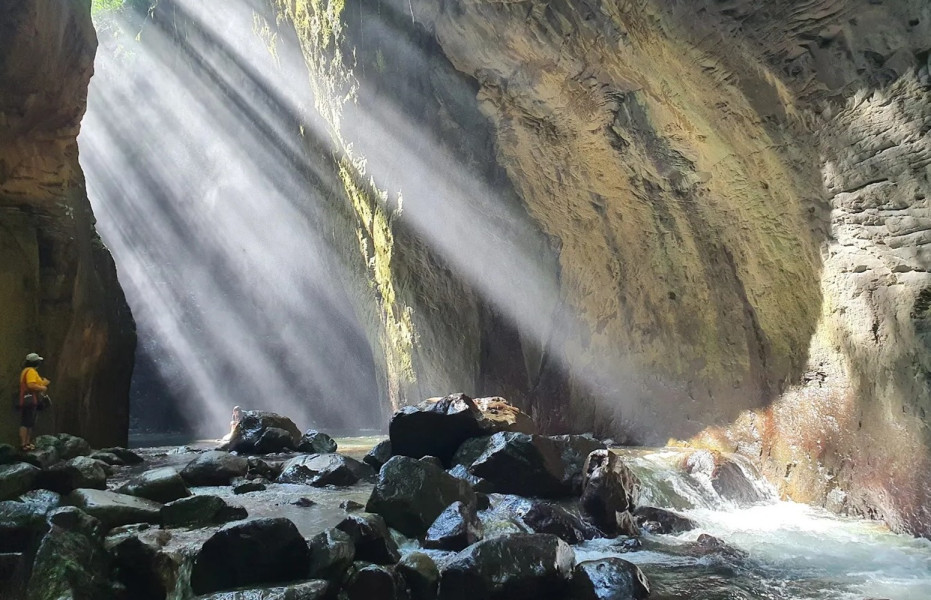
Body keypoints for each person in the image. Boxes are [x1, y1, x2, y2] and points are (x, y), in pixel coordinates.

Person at [18, 352, 50, 451]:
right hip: (29, 399)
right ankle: (24, 444)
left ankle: (27, 443)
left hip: (29, 399)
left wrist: (42, 382)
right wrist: (43, 387)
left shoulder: (26, 371)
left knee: (30, 422)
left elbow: (34, 382)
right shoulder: (31, 371)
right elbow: (31, 385)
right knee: (26, 422)